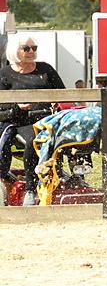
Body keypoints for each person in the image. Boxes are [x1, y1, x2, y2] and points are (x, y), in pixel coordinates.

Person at [0, 35, 66, 205]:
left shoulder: (46, 69)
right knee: (34, 140)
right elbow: (1, 108)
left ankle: (69, 175)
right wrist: (17, 107)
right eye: (26, 48)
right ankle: (30, 189)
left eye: (34, 48)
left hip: (49, 117)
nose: (31, 52)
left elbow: (64, 93)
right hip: (22, 120)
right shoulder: (4, 74)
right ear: (15, 51)